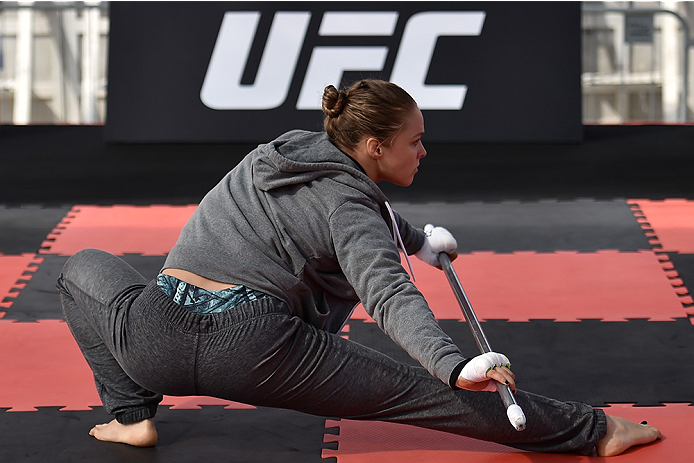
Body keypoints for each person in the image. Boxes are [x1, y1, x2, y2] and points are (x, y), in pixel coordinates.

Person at [57, 79, 661, 456]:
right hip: (257, 349)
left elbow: (342, 204)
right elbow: (389, 293)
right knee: (426, 394)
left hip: (153, 335)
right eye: (416, 141)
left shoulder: (279, 155)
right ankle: (595, 431)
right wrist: (453, 365)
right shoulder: (355, 208)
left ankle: (130, 415)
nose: (425, 151)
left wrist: (415, 238)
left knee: (81, 266)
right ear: (375, 145)